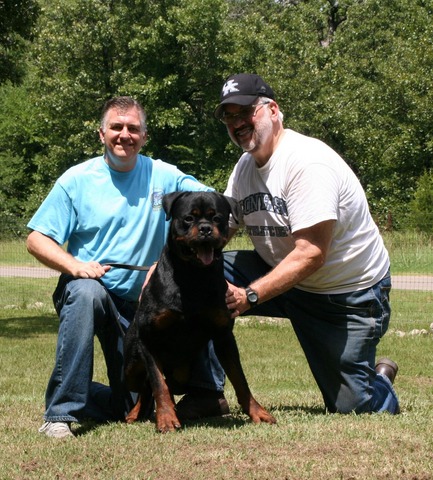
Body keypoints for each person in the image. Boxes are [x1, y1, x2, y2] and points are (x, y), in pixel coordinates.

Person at [27, 96, 226, 438]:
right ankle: (59, 414)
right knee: (86, 292)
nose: (124, 135)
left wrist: (163, 265)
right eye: (116, 127)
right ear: (101, 134)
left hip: (145, 308)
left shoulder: (164, 175)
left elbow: (215, 205)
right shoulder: (76, 180)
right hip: (99, 295)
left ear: (144, 136)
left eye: (133, 128)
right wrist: (74, 266)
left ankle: (204, 393)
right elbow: (36, 239)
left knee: (131, 404)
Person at [215, 73, 400, 415]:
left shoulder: (306, 162)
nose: (237, 122)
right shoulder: (244, 168)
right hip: (285, 278)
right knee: (200, 274)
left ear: (273, 110)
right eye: (228, 115)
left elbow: (311, 253)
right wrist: (169, 266)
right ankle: (207, 393)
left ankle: (381, 381)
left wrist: (250, 295)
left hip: (346, 297)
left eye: (245, 111)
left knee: (355, 409)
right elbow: (221, 227)